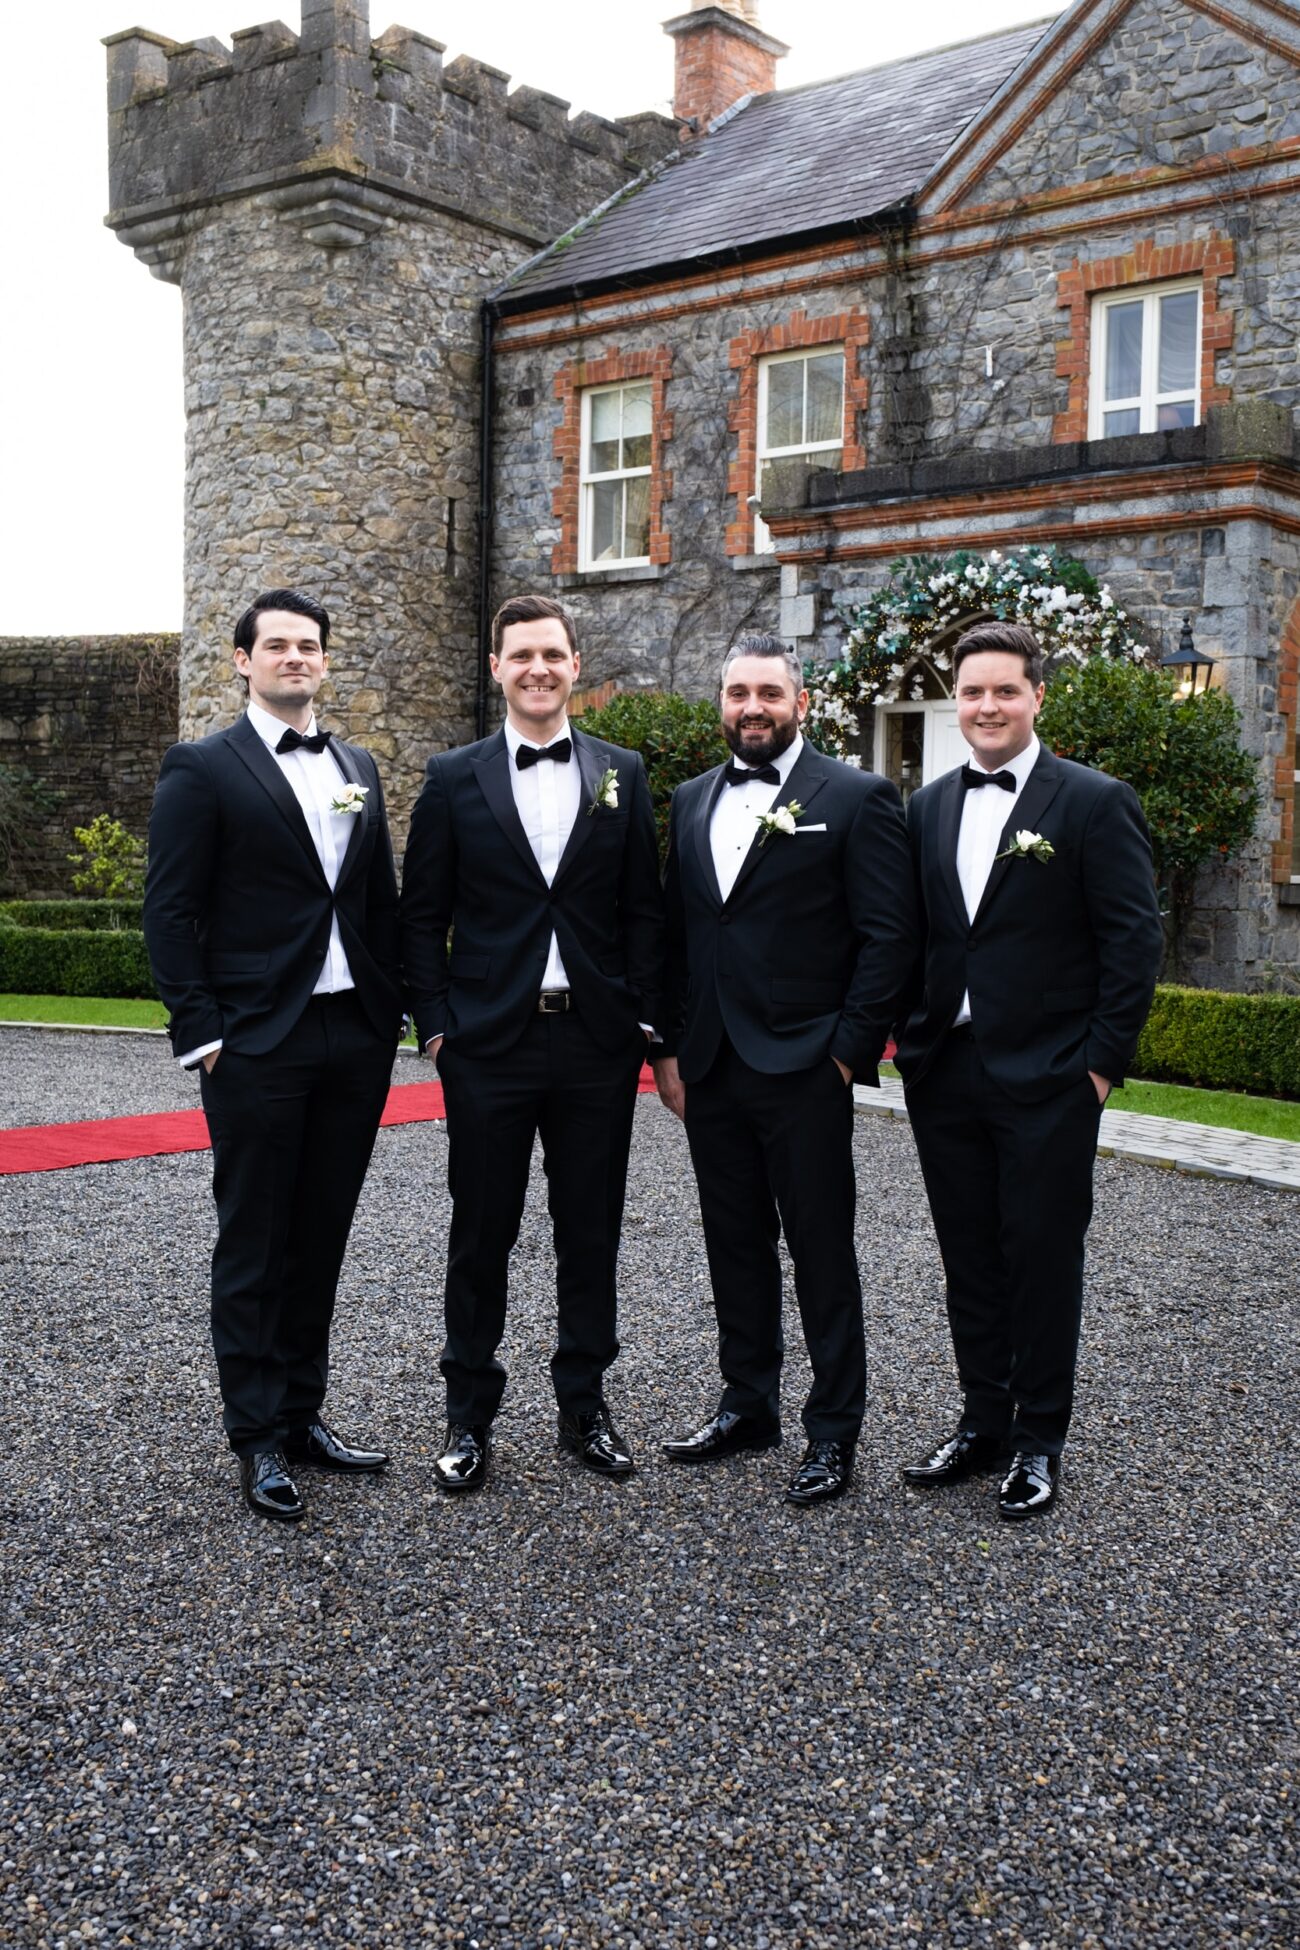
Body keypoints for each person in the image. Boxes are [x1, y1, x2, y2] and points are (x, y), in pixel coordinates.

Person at [143, 589, 403, 1522]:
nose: (296, 657)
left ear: (326, 662)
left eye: (310, 646)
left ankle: (302, 1414)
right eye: (278, 645)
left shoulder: (356, 763)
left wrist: (393, 1016)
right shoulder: (203, 768)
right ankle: (255, 1439)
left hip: (353, 1035)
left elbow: (375, 899)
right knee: (255, 1237)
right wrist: (204, 1035)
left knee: (322, 1233)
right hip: (256, 1041)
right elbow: (169, 912)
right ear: (243, 662)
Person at [894, 620, 1163, 1519]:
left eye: (1005, 690)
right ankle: (982, 1423)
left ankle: (1039, 1440)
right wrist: (908, 1043)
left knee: (1041, 1259)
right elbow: (917, 939)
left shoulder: (1092, 801)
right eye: (972, 692)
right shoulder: (927, 806)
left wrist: (1097, 1069)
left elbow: (1134, 943)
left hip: (1051, 1079)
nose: (988, 706)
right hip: (947, 1074)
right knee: (968, 1257)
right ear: (955, 702)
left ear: (1037, 697)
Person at [401, 594, 664, 1493]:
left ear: (575, 665)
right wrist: (437, 1029)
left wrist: (641, 1025)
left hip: (595, 1045)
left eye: (552, 653)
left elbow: (642, 912)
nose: (538, 668)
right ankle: (468, 1418)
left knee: (589, 1233)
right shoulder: (452, 777)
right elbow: (420, 917)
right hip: (489, 1047)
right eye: (521, 656)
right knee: (481, 1234)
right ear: (497, 669)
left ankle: (584, 1410)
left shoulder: (623, 771)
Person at [653, 633, 916, 1506]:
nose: (752, 707)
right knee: (733, 1244)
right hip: (714, 1066)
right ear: (720, 701)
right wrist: (673, 1047)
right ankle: (747, 1404)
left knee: (820, 1250)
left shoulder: (855, 796)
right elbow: (682, 934)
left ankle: (834, 1430)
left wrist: (846, 1054)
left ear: (798, 700)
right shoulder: (690, 801)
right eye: (737, 693)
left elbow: (888, 938)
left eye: (769, 691)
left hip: (808, 1067)